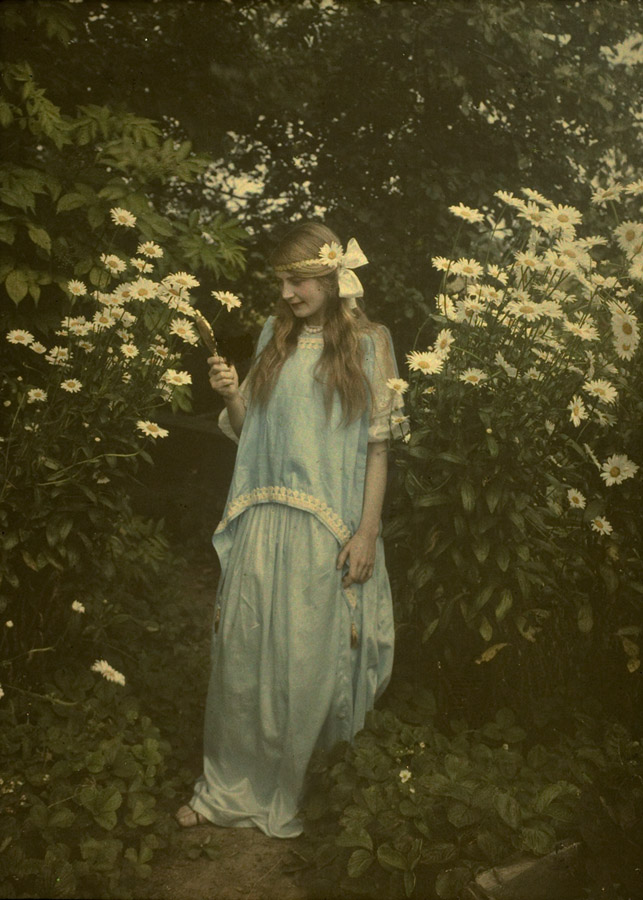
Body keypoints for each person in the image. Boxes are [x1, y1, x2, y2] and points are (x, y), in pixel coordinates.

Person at [175, 221, 404, 838]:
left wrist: (365, 533)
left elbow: (378, 449)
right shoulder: (272, 338)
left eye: (298, 281)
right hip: (263, 517)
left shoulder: (370, 344)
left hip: (326, 528)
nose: (288, 294)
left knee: (306, 662)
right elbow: (255, 432)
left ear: (331, 279)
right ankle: (228, 784)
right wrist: (229, 395)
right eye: (282, 282)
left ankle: (304, 787)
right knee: (245, 658)